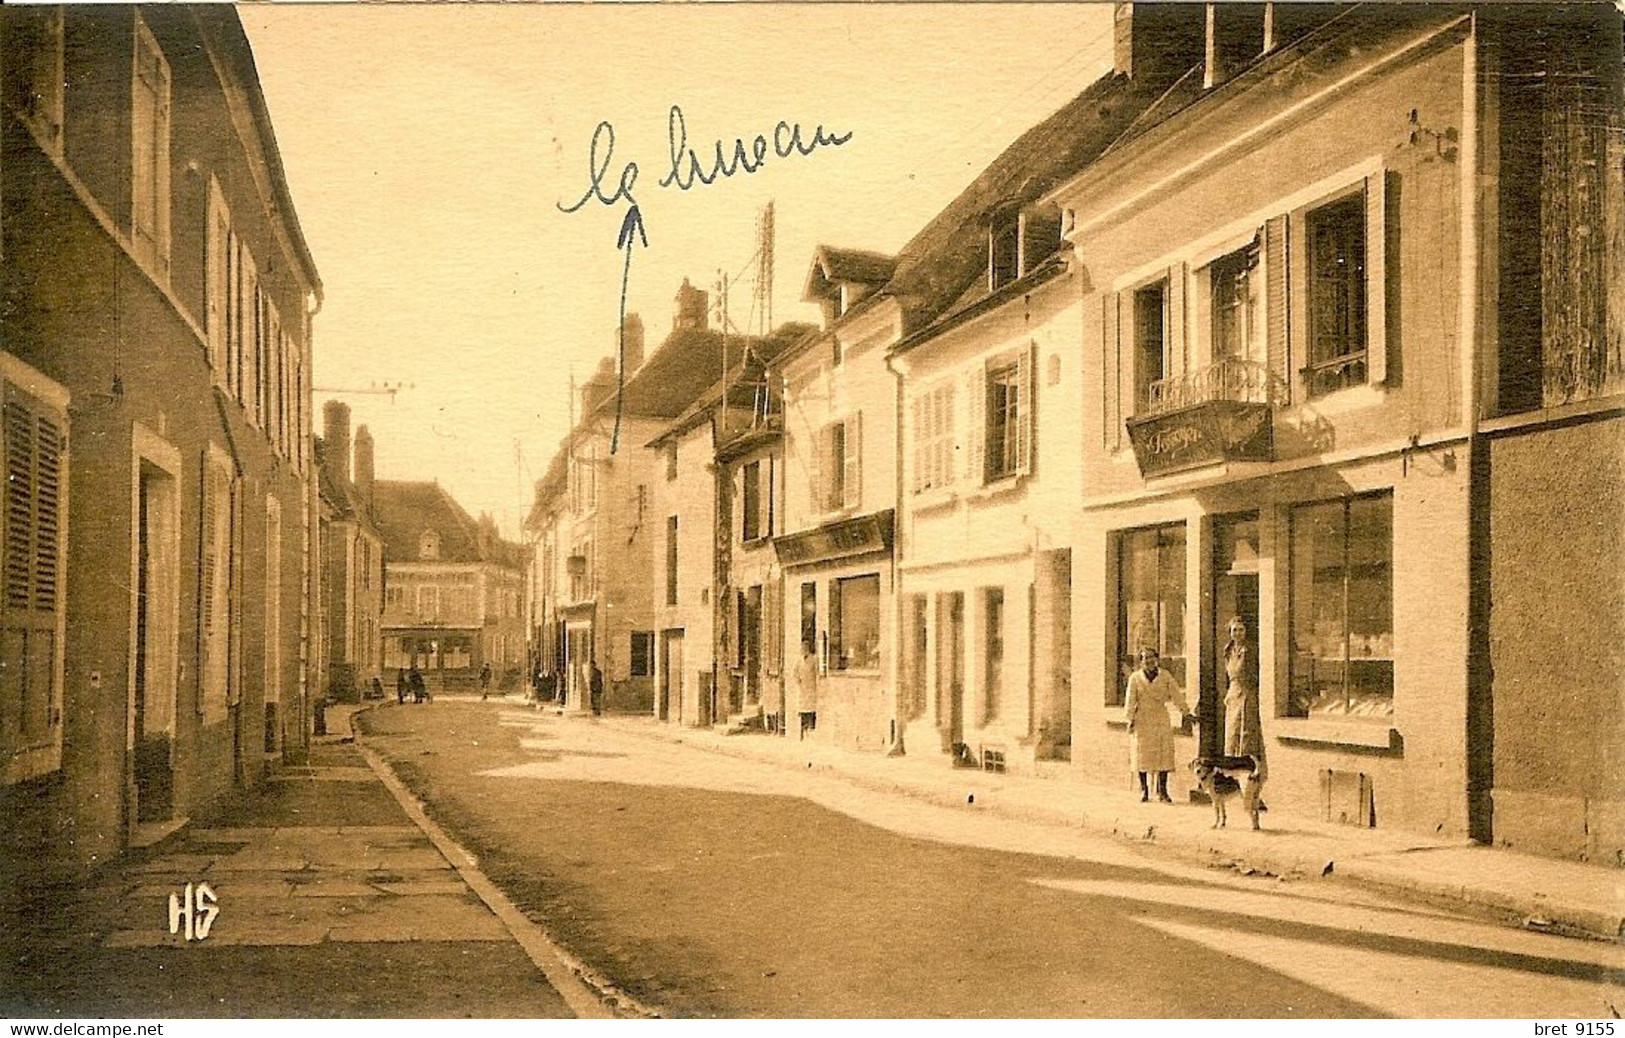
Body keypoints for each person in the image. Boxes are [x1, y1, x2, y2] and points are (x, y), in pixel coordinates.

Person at [1124, 646, 1191, 803]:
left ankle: (1163, 791)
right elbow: (1130, 700)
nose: (1149, 661)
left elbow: (1176, 694)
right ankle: (1144, 790)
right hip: (1142, 719)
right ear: (1141, 662)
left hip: (1160, 718)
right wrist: (1130, 719)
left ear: (1157, 659)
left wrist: (1185, 711)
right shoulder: (1135, 678)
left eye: (1152, 657)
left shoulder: (1165, 676)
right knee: (1142, 755)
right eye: (1145, 658)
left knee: (1163, 754)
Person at [1222, 616, 1266, 778]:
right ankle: (1233, 770)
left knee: (1246, 731)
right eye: (1235, 630)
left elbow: (1255, 673)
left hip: (1247, 693)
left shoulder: (1250, 650)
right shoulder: (1228, 650)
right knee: (1232, 732)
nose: (1238, 633)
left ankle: (1249, 768)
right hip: (1233, 693)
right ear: (1230, 632)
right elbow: (1230, 674)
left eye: (1241, 630)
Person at [794, 647, 819, 740]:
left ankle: (811, 726)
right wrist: (798, 680)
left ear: (808, 650)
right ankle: (802, 729)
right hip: (803, 687)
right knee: (802, 707)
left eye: (805, 650)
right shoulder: (799, 661)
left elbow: (817, 672)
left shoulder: (813, 659)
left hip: (811, 686)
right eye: (802, 650)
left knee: (811, 707)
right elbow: (795, 672)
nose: (803, 652)